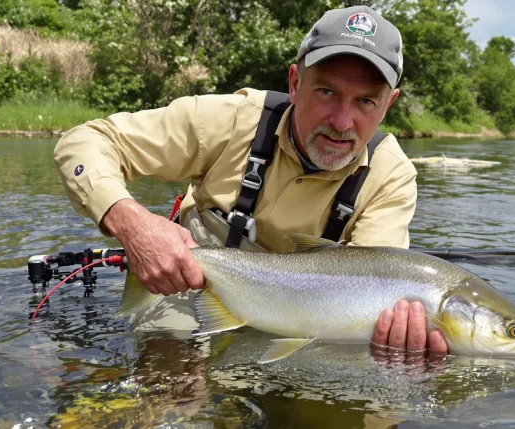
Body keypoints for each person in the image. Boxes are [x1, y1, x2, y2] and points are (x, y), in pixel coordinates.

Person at [54, 6, 447, 355]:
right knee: (171, 379)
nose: (342, 122)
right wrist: (133, 225)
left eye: (365, 101)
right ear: (295, 82)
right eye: (326, 91)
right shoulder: (233, 119)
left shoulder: (391, 177)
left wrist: (396, 347)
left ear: (388, 104)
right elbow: (85, 141)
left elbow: (372, 292)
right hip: (190, 289)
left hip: (310, 321)